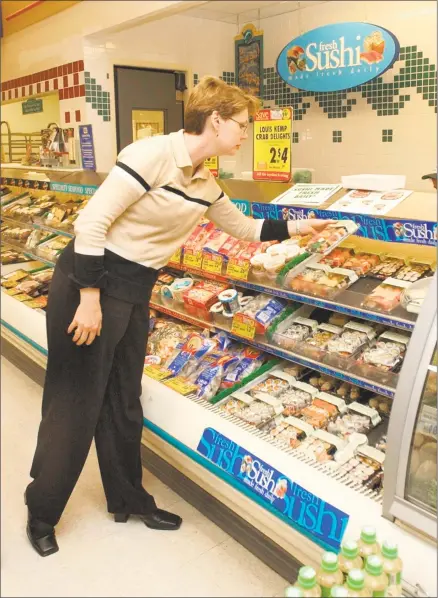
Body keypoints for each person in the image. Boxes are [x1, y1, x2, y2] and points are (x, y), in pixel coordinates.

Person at [25, 75, 333, 557]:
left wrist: (300, 226)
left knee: (124, 398)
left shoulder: (205, 181)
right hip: (91, 283)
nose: (246, 133)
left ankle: (128, 498)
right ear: (216, 120)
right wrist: (88, 298)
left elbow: (247, 228)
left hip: (134, 289)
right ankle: (41, 511)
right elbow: (91, 223)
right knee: (77, 401)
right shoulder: (150, 154)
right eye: (242, 125)